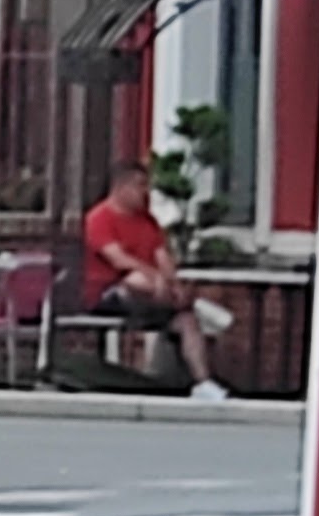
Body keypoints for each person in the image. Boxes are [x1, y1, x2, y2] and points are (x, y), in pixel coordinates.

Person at [79, 159, 228, 399]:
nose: (145, 192)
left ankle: (203, 382)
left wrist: (173, 283)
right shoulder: (99, 218)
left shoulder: (148, 222)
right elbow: (118, 260)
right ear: (121, 187)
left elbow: (163, 258)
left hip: (153, 297)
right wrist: (156, 279)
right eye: (139, 185)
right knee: (136, 279)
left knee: (187, 321)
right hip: (108, 294)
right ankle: (187, 304)